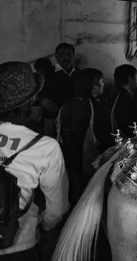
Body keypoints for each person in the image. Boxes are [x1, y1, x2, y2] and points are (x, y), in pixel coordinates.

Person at [0, 62, 68, 260]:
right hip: (20, 245)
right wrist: (41, 226)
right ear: (32, 99)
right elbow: (56, 211)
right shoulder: (45, 146)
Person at [58, 68, 112, 205]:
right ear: (92, 88)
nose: (103, 85)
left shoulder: (67, 105)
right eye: (101, 82)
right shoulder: (95, 106)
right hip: (90, 161)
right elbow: (104, 137)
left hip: (67, 159)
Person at [111, 64, 137, 139]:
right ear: (130, 78)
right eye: (136, 77)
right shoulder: (122, 98)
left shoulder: (128, 94)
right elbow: (124, 124)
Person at [50, 43, 80, 109]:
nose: (66, 57)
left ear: (74, 56)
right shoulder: (47, 73)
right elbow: (39, 95)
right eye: (62, 54)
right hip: (53, 116)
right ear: (56, 57)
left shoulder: (81, 74)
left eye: (69, 54)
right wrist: (42, 100)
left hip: (76, 115)